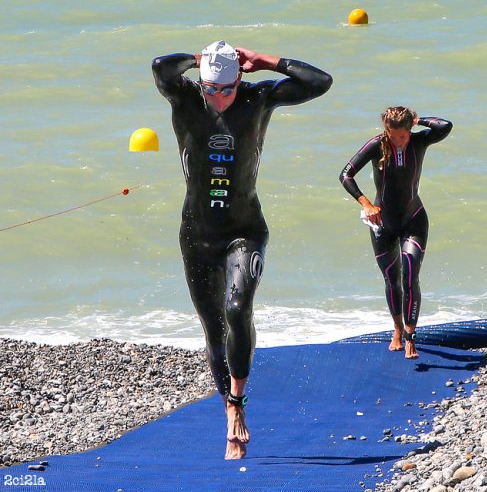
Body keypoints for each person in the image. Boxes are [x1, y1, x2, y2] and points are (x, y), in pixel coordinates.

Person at [152, 40, 332, 459]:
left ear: (240, 79)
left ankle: (238, 400)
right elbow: (161, 66)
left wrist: (266, 60)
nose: (218, 98)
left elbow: (320, 82)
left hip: (244, 231)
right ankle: (230, 410)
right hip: (196, 235)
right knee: (215, 333)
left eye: (226, 88)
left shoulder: (258, 97)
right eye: (210, 88)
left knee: (237, 309)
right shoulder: (185, 97)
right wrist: (201, 61)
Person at [339, 107, 452, 359]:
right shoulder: (377, 145)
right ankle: (397, 330)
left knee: (410, 271)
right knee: (392, 279)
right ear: (386, 130)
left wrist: (418, 120)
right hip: (383, 224)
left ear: (409, 130)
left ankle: (411, 336)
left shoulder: (420, 140)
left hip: (413, 218)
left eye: (403, 136)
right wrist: (366, 204)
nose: (398, 141)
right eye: (393, 135)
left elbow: (445, 126)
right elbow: (345, 174)